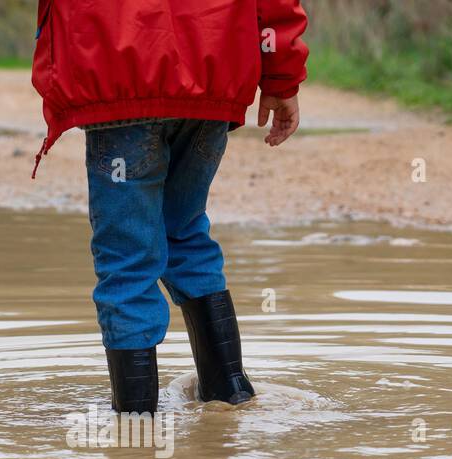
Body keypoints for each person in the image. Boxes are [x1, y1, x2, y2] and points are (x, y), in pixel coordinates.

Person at [31, 0, 309, 413]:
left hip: (119, 82)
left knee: (127, 257)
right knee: (185, 232)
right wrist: (281, 78)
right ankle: (230, 394)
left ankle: (134, 421)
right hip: (211, 77)